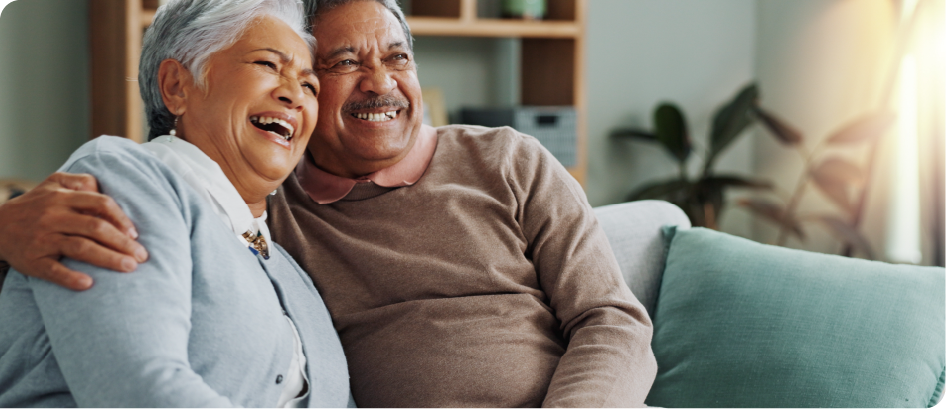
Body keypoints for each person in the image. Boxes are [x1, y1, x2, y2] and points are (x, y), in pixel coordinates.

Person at [0, 0, 659, 407]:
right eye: (340, 63)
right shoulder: (238, 203)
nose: (381, 82)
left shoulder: (506, 160)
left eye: (398, 57)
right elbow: (133, 375)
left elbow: (614, 320)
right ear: (177, 83)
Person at [0, 0, 356, 408]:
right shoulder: (125, 180)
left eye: (309, 86)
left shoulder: (293, 274)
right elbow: (138, 392)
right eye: (267, 65)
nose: (294, 94)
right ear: (176, 86)